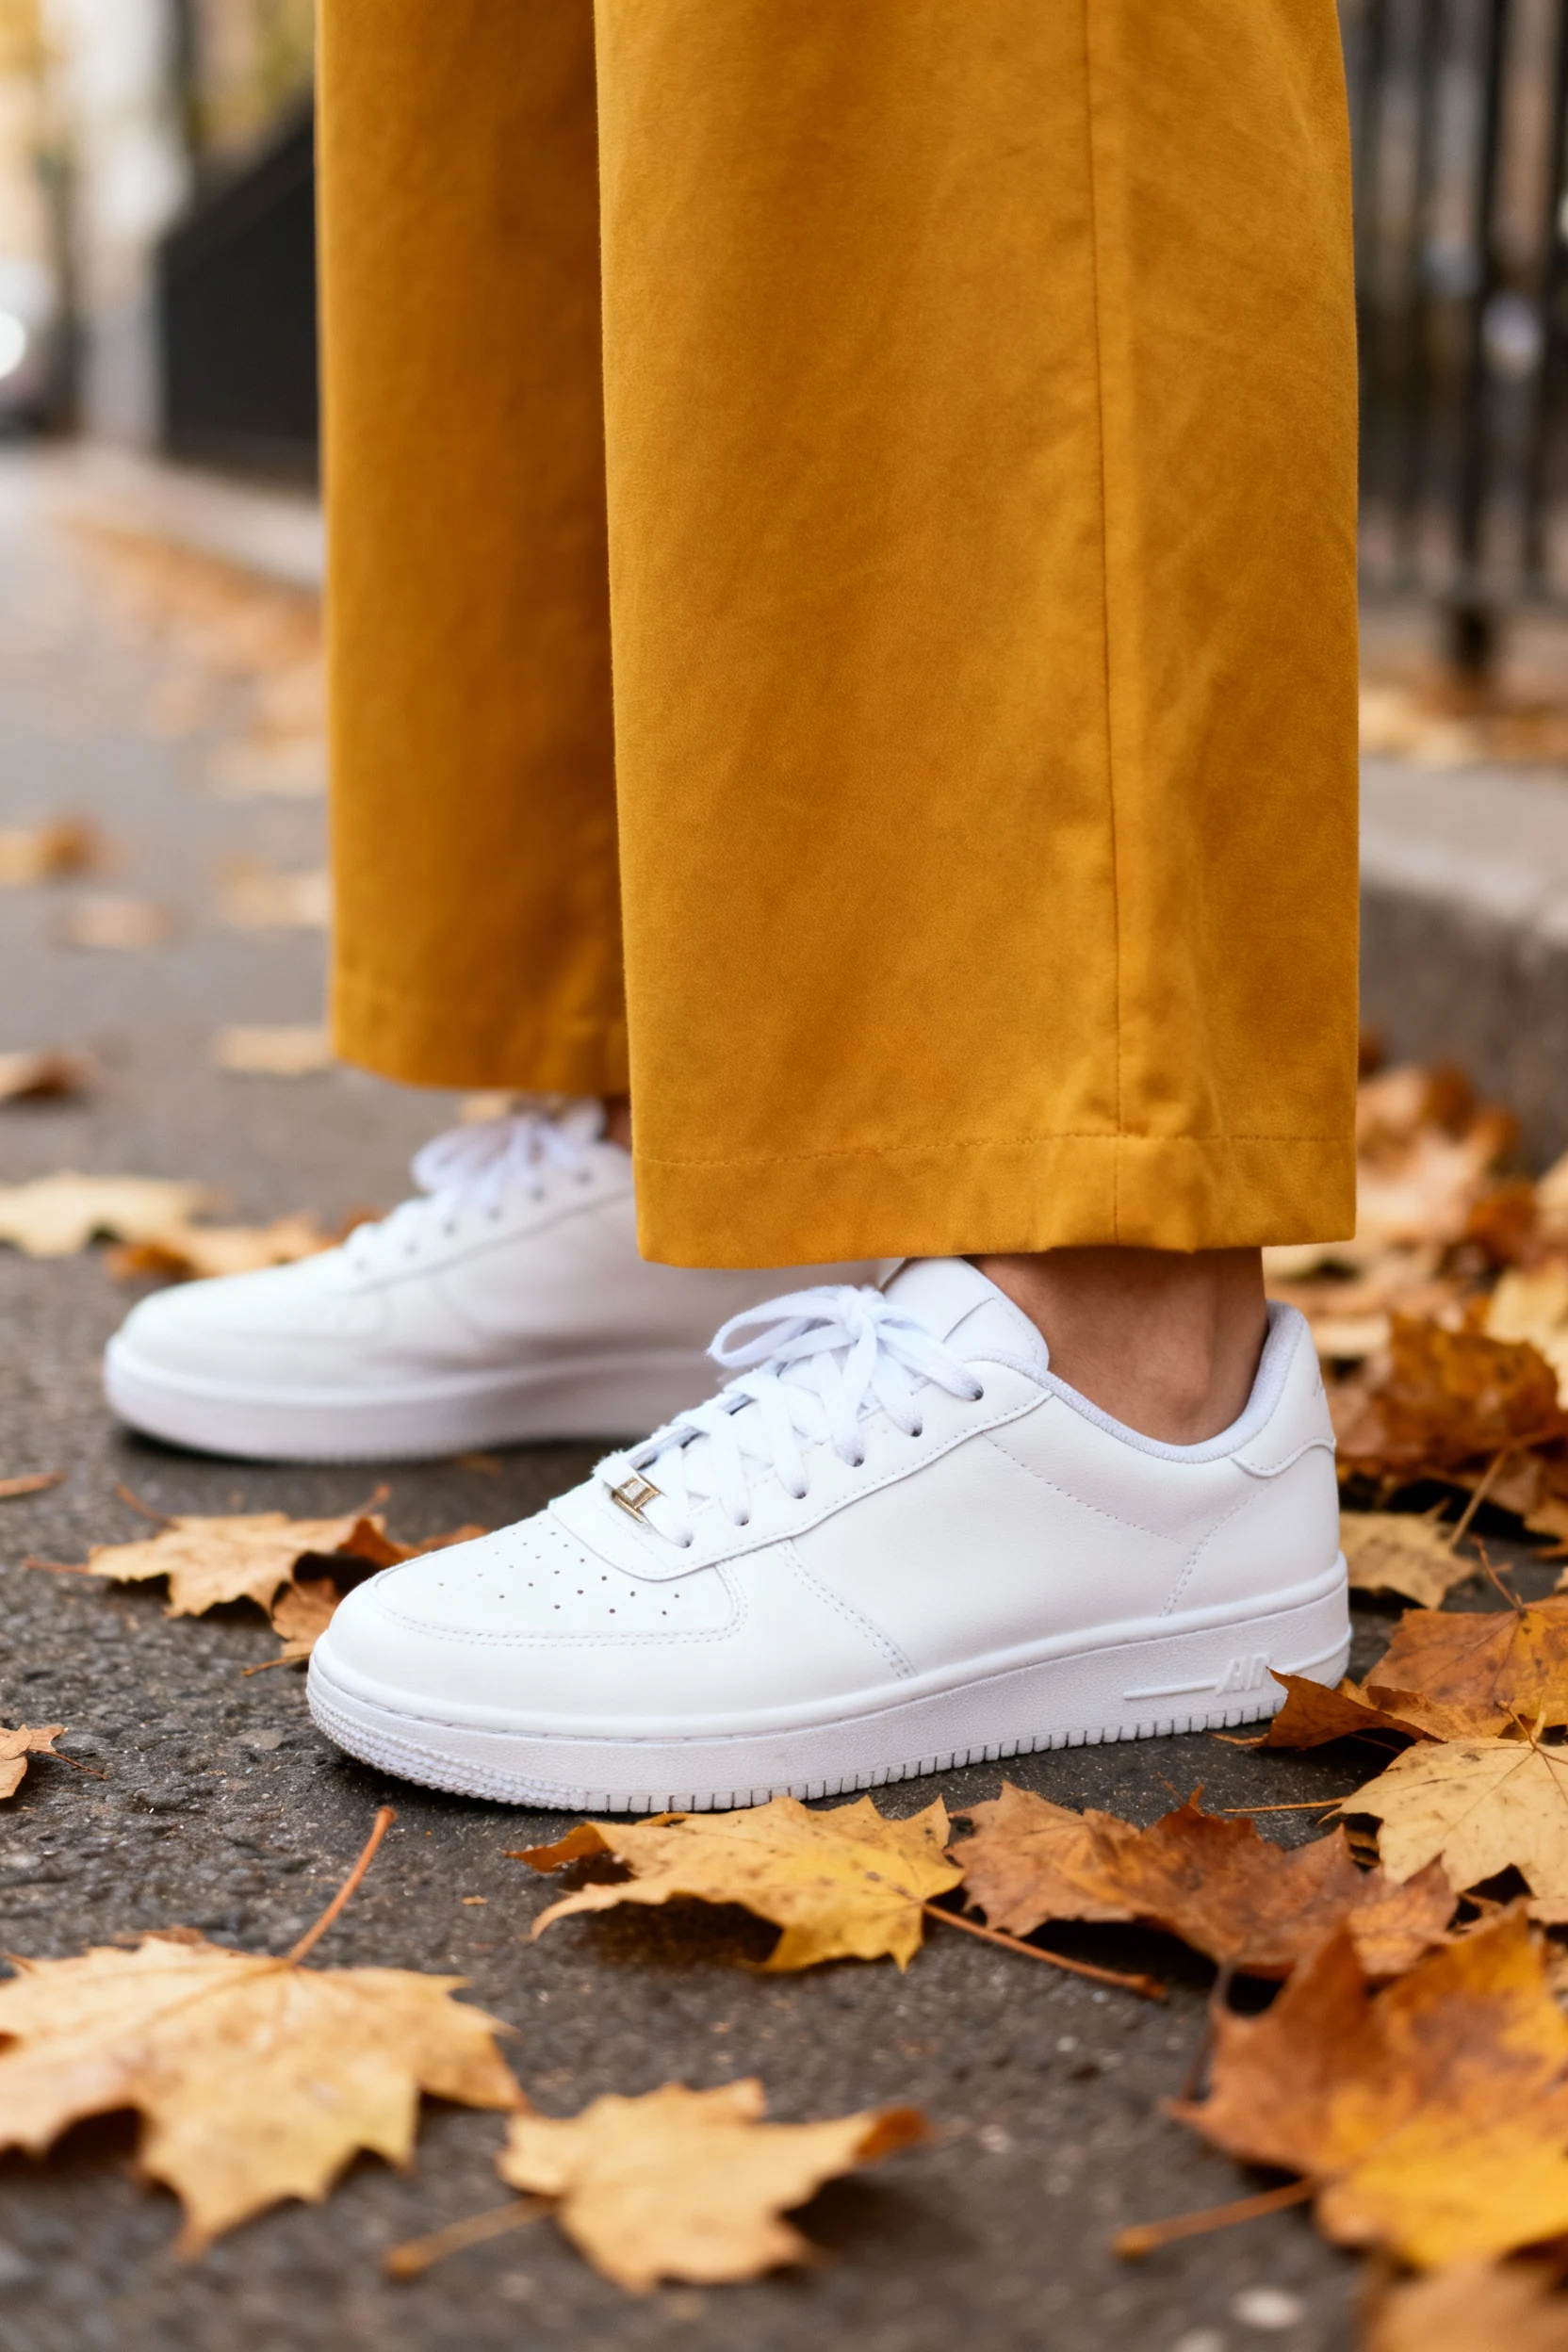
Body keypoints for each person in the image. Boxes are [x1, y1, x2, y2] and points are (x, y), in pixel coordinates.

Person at [106, 1, 1359, 1812]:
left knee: (896, 66)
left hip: (1126, 1353)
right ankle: (671, 1119)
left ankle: (1114, 1339)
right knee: (515, 102)